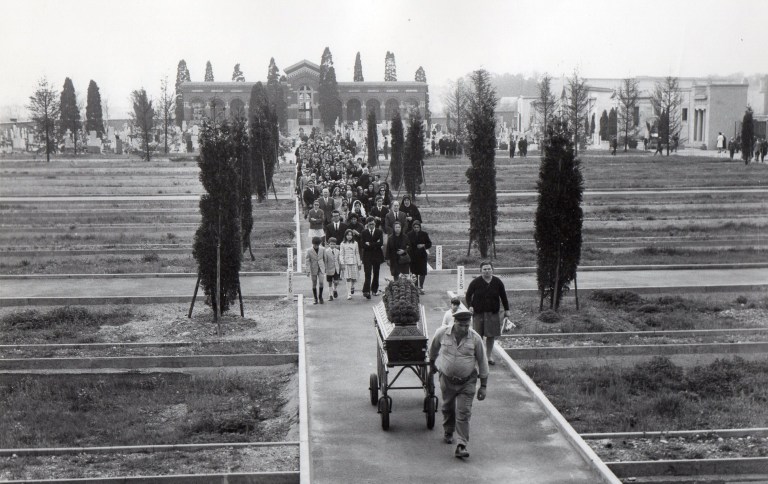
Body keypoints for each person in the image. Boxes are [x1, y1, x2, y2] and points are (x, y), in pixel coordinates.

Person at [428, 307, 489, 459]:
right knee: (448, 407)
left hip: (467, 382)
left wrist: (483, 386)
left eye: (467, 325)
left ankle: (462, 445)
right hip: (446, 379)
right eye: (461, 325)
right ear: (454, 322)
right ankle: (448, 430)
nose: (464, 328)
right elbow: (433, 349)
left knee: (464, 412)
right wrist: (432, 364)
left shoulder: (475, 338)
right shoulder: (442, 333)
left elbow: (483, 362)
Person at [464, 261, 510, 366]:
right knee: (478, 336)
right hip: (478, 313)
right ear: (480, 270)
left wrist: (507, 309)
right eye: (484, 269)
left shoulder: (497, 282)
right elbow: (468, 295)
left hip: (492, 313)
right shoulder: (475, 282)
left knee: (491, 336)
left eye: (489, 269)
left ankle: (488, 356)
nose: (487, 271)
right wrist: (470, 306)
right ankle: (478, 356)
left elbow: (503, 296)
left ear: (492, 270)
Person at [360, 217, 384, 299]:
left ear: (375, 224)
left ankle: (374, 289)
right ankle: (366, 291)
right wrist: (375, 244)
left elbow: (381, 243)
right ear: (367, 225)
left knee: (376, 273)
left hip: (377, 255)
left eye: (373, 224)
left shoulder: (379, 232)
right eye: (370, 224)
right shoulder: (364, 232)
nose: (371, 226)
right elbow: (362, 245)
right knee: (368, 273)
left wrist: (369, 244)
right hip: (367, 256)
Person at [407, 220, 432, 294]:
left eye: (417, 227)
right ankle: (415, 287)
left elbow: (429, 244)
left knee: (422, 272)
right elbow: (407, 244)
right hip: (413, 256)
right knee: (414, 272)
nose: (416, 228)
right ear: (412, 227)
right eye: (415, 227)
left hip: (422, 256)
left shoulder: (424, 234)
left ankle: (421, 286)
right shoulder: (409, 234)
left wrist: (423, 245)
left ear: (420, 227)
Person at [339, 229, 362, 299]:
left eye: (351, 235)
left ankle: (352, 286)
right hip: (346, 263)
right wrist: (342, 263)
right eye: (348, 235)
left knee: (354, 278)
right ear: (345, 236)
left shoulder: (355, 243)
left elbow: (357, 253)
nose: (349, 236)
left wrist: (359, 263)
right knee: (348, 278)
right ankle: (349, 294)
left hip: (354, 262)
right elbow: (341, 254)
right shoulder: (342, 244)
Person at [305, 236, 326, 304]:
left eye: (317, 245)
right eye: (315, 245)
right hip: (313, 268)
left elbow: (325, 258)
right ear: (312, 243)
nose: (316, 246)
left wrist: (325, 267)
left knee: (321, 282)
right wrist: (307, 270)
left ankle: (320, 297)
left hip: (321, 268)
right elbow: (307, 261)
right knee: (314, 283)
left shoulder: (323, 249)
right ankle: (315, 298)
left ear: (319, 244)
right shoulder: (309, 250)